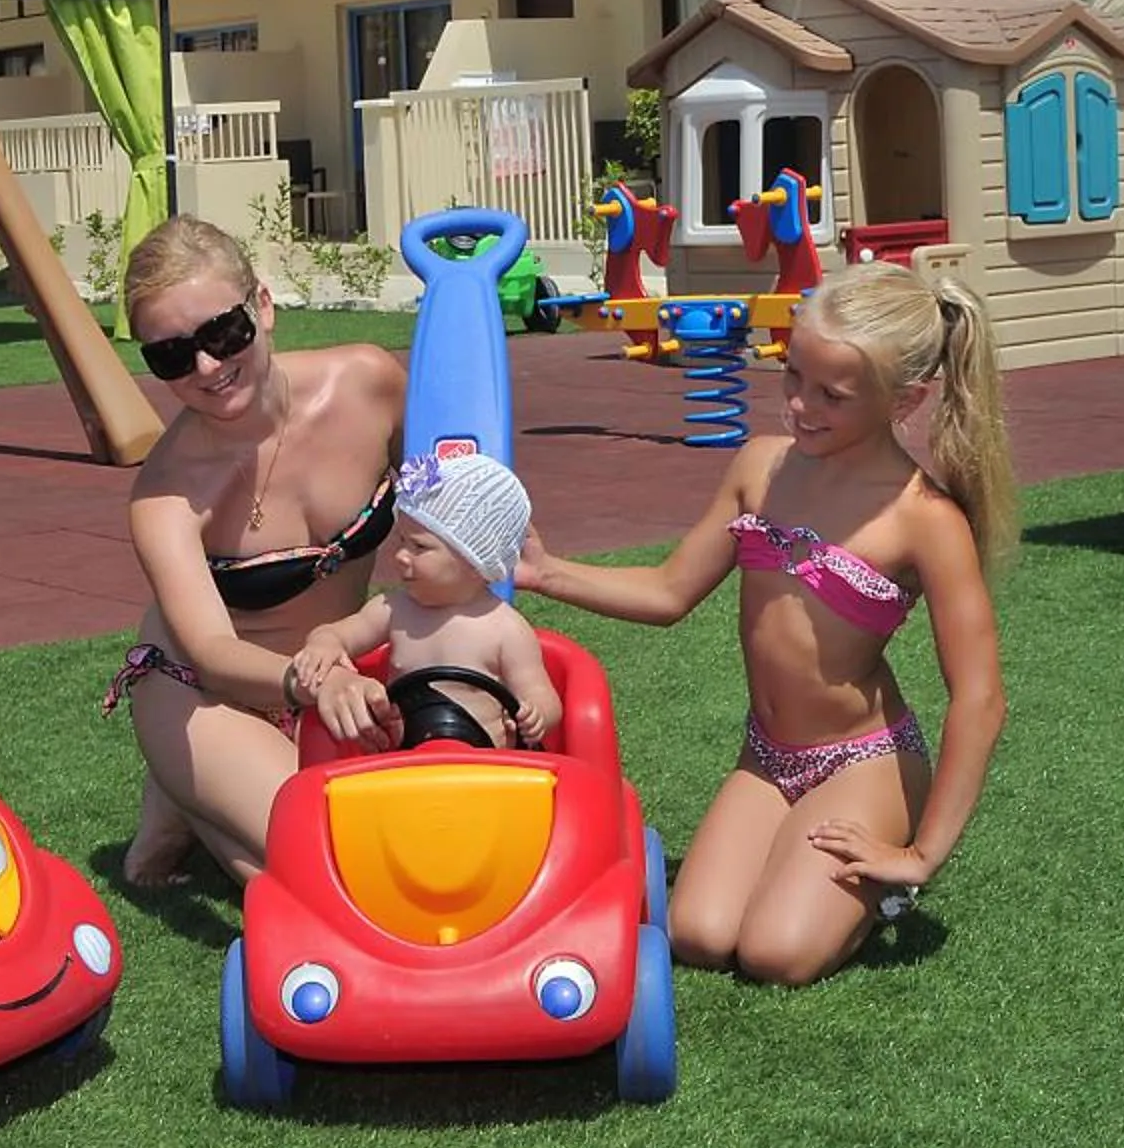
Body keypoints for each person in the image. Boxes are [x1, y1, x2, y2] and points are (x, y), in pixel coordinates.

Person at [517, 262, 1012, 987]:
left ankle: (876, 893)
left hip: (864, 761)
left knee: (774, 954)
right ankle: (804, 874)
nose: (800, 406)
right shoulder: (761, 468)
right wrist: (546, 573)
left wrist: (923, 855)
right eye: (792, 377)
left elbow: (980, 698)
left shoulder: (925, 519)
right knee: (699, 934)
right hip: (767, 755)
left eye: (832, 395)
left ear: (904, 400)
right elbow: (668, 591)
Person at [105, 216, 408, 885]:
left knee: (413, 839)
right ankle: (192, 786)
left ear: (262, 307)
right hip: (202, 692)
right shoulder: (164, 495)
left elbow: (444, 504)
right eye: (172, 356)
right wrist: (316, 683)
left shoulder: (370, 384)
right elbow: (213, 652)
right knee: (338, 870)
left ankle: (191, 802)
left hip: (342, 675)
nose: (207, 367)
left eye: (222, 333)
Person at [293, 451, 559, 750]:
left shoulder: (505, 629)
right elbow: (340, 633)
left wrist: (535, 714)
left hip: (485, 768)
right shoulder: (394, 609)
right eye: (401, 541)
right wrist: (324, 643)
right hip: (405, 765)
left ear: (475, 561)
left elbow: (542, 695)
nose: (400, 556)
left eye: (419, 547)